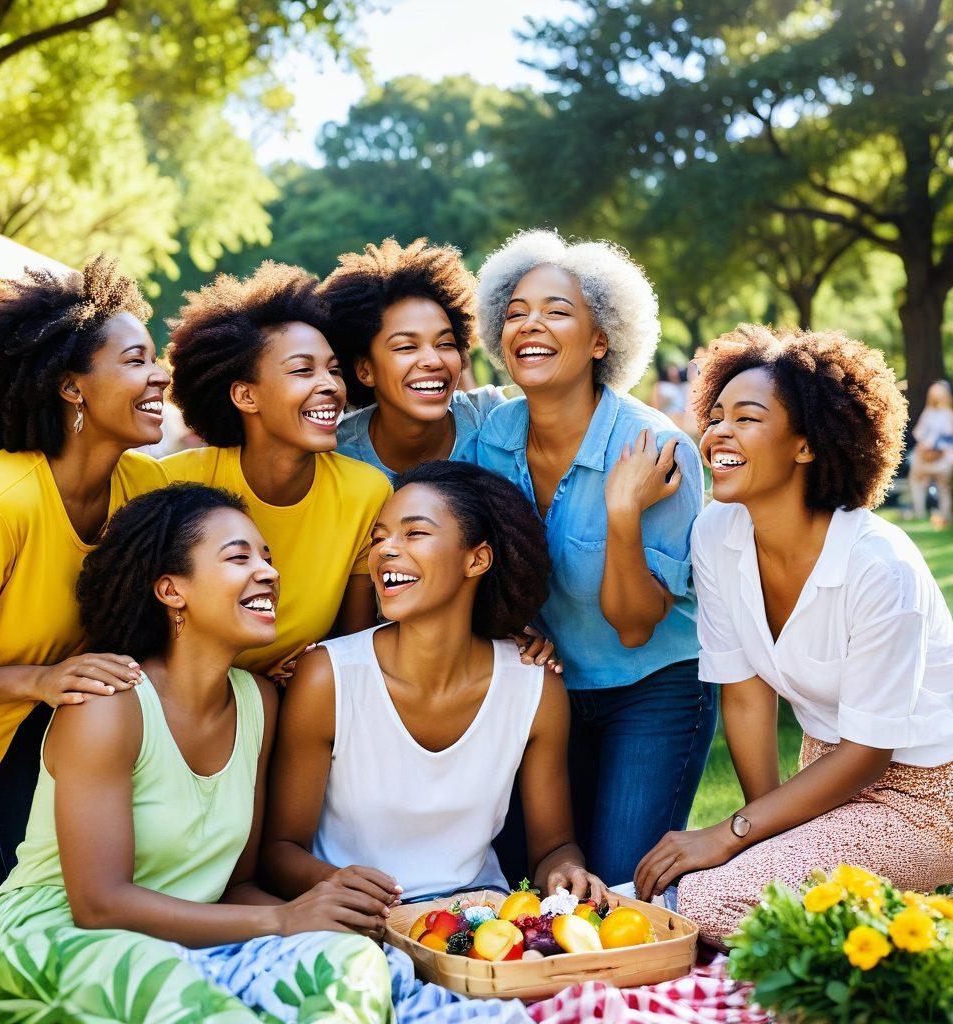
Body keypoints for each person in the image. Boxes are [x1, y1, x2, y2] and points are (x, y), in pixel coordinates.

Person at [0, 484, 397, 1023]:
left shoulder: (260, 703)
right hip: (51, 943)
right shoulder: (110, 705)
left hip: (182, 948)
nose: (268, 572)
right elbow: (99, 905)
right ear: (171, 590)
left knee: (349, 964)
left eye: (268, 558)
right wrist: (283, 919)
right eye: (238, 557)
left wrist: (325, 912)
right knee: (159, 983)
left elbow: (237, 886)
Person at [635, 325, 953, 942]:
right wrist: (760, 837)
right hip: (824, 773)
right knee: (690, 892)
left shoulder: (877, 567)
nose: (719, 432)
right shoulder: (717, 533)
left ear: (806, 446)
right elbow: (747, 693)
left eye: (747, 418)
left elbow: (869, 752)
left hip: (928, 798)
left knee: (706, 904)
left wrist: (732, 835)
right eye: (717, 415)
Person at [0, 256, 171, 990]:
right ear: (72, 386)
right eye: (135, 360)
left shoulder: (144, 486)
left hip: (33, 747)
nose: (158, 375)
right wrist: (39, 678)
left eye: (155, 358)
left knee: (34, 940)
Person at [472, 230, 715, 888]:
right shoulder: (491, 440)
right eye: (516, 311)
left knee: (616, 887)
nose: (531, 324)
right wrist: (507, 620)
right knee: (521, 873)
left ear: (601, 340)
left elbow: (634, 624)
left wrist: (621, 513)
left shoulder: (657, 449)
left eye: (557, 310)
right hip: (548, 689)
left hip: (654, 689)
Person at [263, 461, 608, 906]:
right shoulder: (329, 677)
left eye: (414, 533)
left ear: (477, 559)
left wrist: (566, 871)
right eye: (379, 537)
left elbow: (553, 847)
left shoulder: (534, 687)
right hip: (355, 924)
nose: (386, 549)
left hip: (480, 929)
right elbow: (280, 851)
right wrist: (341, 885)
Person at [163, 261, 392, 683]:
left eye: (334, 370)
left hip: (301, 704)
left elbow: (352, 643)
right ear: (245, 395)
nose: (330, 386)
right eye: (303, 370)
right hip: (179, 702)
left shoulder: (365, 492)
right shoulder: (170, 486)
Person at [322, 238, 506, 484]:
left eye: (445, 344)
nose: (433, 360)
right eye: (407, 347)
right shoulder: (337, 456)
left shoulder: (490, 418)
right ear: (365, 370)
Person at [908, 379, 953, 526]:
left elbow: (947, 437)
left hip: (943, 457)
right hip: (924, 457)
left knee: (944, 487)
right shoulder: (929, 412)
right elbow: (919, 434)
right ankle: (920, 512)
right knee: (915, 480)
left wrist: (933, 445)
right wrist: (924, 445)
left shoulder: (948, 414)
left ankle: (944, 515)